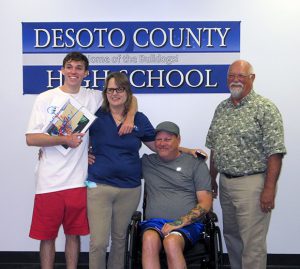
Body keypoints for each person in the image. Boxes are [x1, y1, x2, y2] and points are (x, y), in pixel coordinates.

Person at [25, 52, 136, 269]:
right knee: (47, 237)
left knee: (73, 235)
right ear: (62, 70)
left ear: (86, 73)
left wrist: (130, 116)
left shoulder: (93, 97)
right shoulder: (45, 98)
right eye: (69, 67)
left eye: (78, 68)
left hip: (78, 181)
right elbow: (31, 138)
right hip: (48, 182)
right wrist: (63, 139)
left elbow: (128, 98)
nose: (73, 71)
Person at [205, 60, 286, 269]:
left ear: (252, 78)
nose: (235, 80)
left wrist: (269, 189)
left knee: (252, 243)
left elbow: (275, 152)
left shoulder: (265, 108)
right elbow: (215, 146)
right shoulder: (221, 108)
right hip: (225, 183)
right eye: (232, 76)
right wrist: (211, 178)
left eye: (241, 76)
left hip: (253, 184)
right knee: (232, 237)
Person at [140, 121, 212, 269]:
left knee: (171, 241)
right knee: (148, 239)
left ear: (178, 139)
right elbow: (120, 164)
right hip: (155, 223)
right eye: (159, 139)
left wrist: (178, 223)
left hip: (188, 224)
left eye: (167, 139)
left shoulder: (195, 164)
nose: (162, 143)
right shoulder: (147, 162)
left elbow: (205, 202)